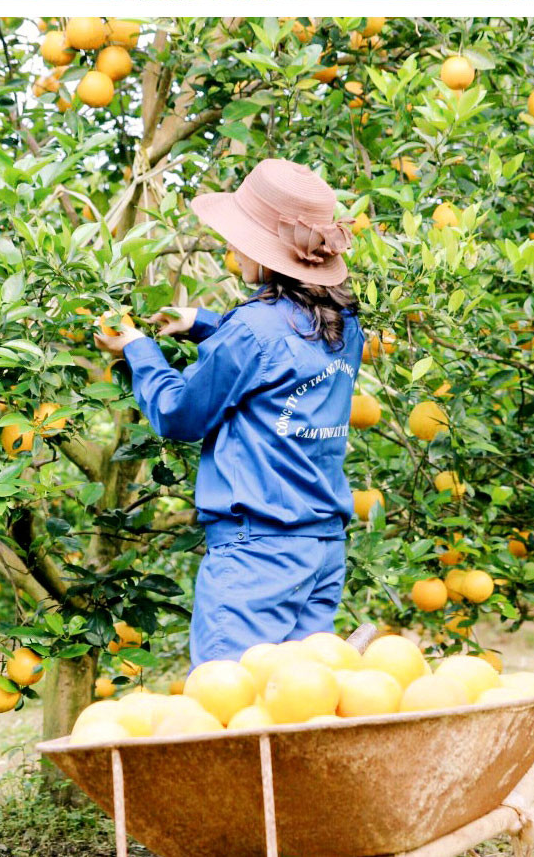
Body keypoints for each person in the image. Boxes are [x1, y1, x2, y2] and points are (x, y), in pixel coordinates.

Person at [93, 159, 364, 665]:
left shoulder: (253, 330)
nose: (230, 248)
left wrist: (136, 348)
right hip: (322, 547)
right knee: (299, 701)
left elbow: (179, 415)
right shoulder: (345, 324)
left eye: (239, 238)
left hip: (257, 553)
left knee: (230, 704)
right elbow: (283, 362)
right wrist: (204, 324)